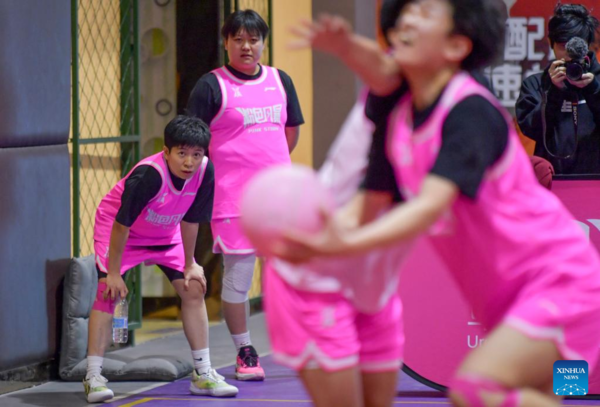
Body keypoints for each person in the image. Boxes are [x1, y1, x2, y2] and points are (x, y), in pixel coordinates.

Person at [278, 1, 600, 406]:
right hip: (503, 296)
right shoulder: (396, 123)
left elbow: (430, 205)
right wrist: (311, 238)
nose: (408, 19)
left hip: (558, 280)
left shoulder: (471, 110)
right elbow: (368, 205)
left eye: (426, 14)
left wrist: (334, 245)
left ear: (457, 46)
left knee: (479, 388)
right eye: (404, 16)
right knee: (537, 396)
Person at [83, 116, 238, 403]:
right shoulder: (149, 176)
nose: (189, 161)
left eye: (196, 154)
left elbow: (192, 220)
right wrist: (114, 272)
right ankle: (94, 377)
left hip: (166, 232)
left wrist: (190, 263)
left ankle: (203, 373)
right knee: (108, 291)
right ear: (166, 152)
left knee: (193, 288)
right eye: (181, 153)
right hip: (124, 233)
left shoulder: (205, 172)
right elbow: (121, 225)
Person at [187, 9, 304, 381]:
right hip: (233, 200)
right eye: (238, 39)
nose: (246, 46)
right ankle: (245, 351)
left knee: (288, 274)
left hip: (278, 200)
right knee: (239, 277)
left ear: (263, 44)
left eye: (253, 39)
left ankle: (300, 342)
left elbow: (289, 133)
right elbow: (193, 141)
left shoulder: (280, 80)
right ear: (226, 43)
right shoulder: (211, 86)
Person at [516, 3, 600, 175]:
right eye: (563, 46)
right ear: (550, 43)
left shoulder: (597, 81)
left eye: (576, 46)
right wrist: (554, 92)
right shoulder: (536, 84)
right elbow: (530, 128)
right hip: (553, 180)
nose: (569, 54)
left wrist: (593, 90)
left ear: (588, 44)